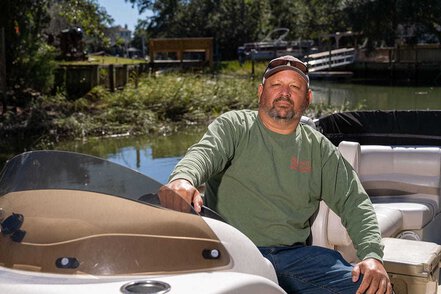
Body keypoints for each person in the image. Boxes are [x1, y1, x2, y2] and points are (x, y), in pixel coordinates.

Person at [165, 55, 392, 294]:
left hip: (295, 258)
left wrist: (372, 256)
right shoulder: (234, 126)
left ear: (308, 98)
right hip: (231, 252)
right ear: (261, 91)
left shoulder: (320, 149)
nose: (285, 93)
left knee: (374, 290)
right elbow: (203, 154)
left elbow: (354, 202)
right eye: (276, 85)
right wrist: (183, 179)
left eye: (295, 87)